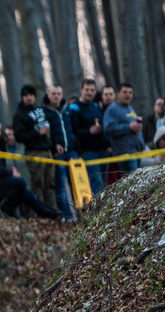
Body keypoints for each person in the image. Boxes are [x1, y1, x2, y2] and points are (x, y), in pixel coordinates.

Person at [0, 119, 62, 220]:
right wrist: (11, 173)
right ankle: (8, 209)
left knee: (26, 192)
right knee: (20, 183)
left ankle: (51, 214)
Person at [13, 85, 59, 209]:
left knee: (50, 185)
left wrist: (53, 148)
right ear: (22, 97)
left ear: (35, 96)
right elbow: (19, 136)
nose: (29, 97)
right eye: (26, 95)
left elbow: (50, 130)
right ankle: (40, 213)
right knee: (38, 185)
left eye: (31, 95)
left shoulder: (40, 110)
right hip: (34, 153)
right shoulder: (19, 114)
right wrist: (37, 132)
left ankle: (53, 212)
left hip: (47, 151)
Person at [67, 78, 109, 194]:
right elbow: (73, 132)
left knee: (104, 184)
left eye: (92, 90)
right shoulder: (74, 108)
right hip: (87, 151)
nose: (89, 92)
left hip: (102, 150)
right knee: (96, 183)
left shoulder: (96, 106)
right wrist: (89, 131)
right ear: (81, 90)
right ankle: (97, 206)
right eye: (87, 90)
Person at [42, 85, 73, 218]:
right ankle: (67, 215)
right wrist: (53, 147)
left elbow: (74, 128)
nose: (56, 96)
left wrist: (76, 146)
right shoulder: (44, 111)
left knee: (77, 183)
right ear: (48, 95)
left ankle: (82, 212)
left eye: (59, 93)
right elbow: (46, 134)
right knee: (60, 185)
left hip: (72, 151)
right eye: (53, 93)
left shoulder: (68, 109)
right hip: (57, 154)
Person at [102, 83, 146, 176]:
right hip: (125, 153)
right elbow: (109, 128)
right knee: (132, 180)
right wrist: (128, 127)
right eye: (125, 92)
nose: (128, 95)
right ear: (118, 94)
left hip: (137, 151)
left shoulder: (130, 109)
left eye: (130, 92)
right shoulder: (112, 109)